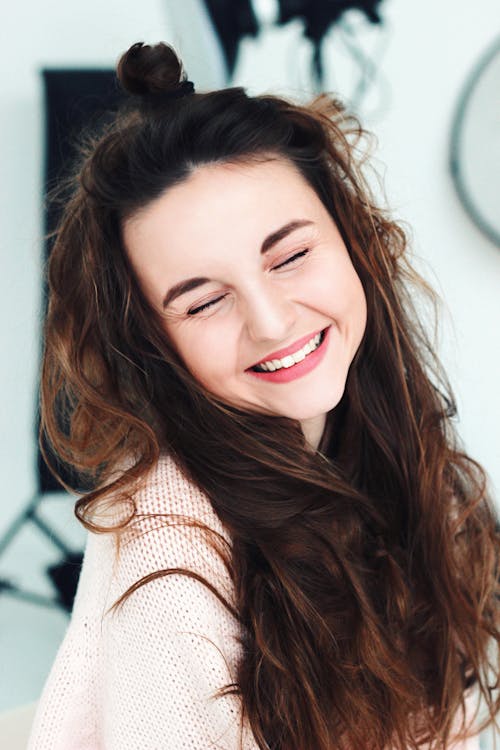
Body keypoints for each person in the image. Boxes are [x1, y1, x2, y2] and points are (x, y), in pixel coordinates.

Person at [28, 41, 499, 750]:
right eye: (203, 301)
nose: (272, 322)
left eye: (289, 256)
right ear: (154, 342)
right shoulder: (171, 581)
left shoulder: (376, 446)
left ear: (354, 242)